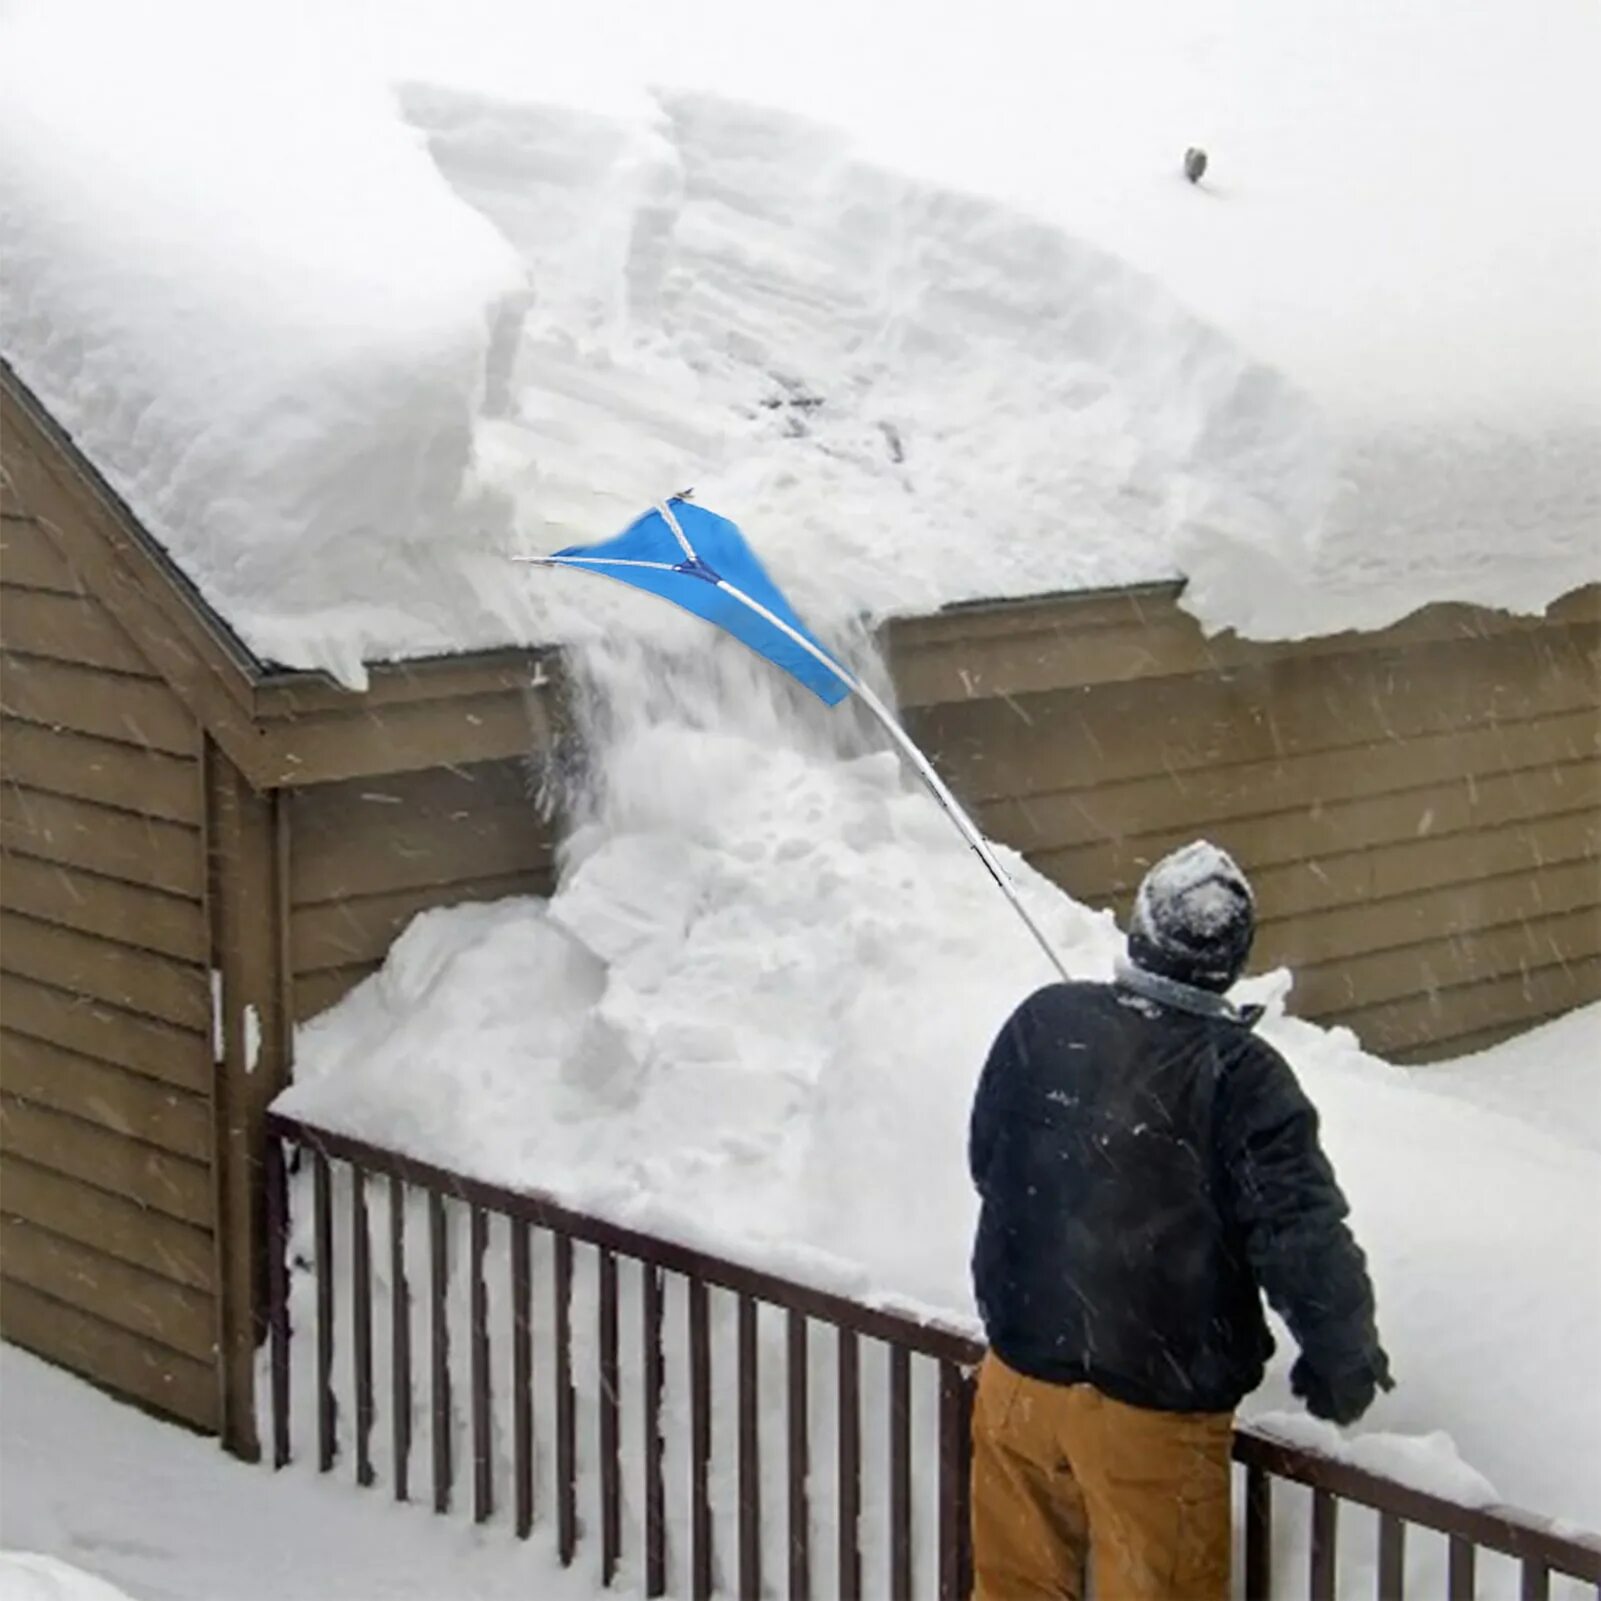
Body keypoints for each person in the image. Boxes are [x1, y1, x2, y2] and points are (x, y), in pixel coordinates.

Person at [968, 840, 1391, 1601]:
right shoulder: (1242, 1076)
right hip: (1150, 1420)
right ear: (1230, 961)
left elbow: (987, 1163)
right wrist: (1342, 1353)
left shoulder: (1043, 1020)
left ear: (1140, 932)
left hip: (1018, 1387)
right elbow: (1298, 1233)